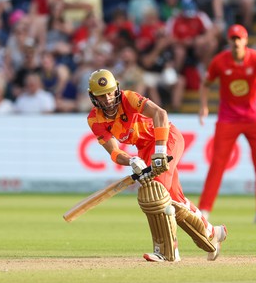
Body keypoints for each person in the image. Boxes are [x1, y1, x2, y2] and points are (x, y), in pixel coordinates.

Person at [86, 68, 227, 262]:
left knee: (155, 194)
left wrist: (160, 150)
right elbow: (114, 152)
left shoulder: (129, 98)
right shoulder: (94, 119)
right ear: (93, 97)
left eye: (110, 92)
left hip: (166, 138)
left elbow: (160, 114)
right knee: (175, 200)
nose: (108, 99)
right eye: (102, 95)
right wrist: (132, 160)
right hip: (144, 149)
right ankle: (213, 232)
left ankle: (168, 252)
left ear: (116, 89)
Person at [198, 24, 256, 224]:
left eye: (239, 38)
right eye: (233, 38)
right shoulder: (220, 61)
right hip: (228, 118)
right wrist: (203, 106)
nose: (236, 42)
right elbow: (205, 84)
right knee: (217, 163)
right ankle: (204, 210)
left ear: (245, 41)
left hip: (254, 117)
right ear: (229, 41)